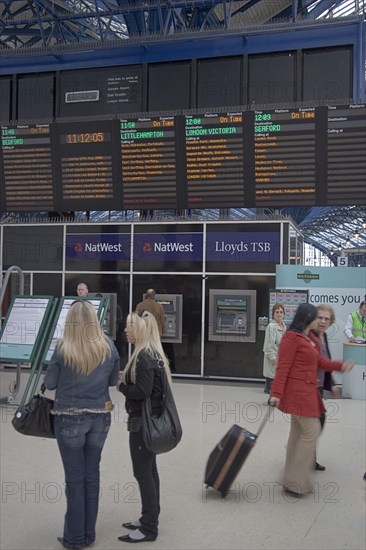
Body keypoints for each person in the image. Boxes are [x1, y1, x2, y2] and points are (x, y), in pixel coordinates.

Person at [43, 300, 120, 549]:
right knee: (92, 475)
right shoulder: (109, 346)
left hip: (69, 417)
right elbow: (111, 381)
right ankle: (89, 534)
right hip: (100, 416)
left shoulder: (63, 348)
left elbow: (51, 383)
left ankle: (74, 538)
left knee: (74, 479)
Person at [269, 303, 354, 496]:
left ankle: (291, 478)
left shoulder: (310, 337)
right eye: (317, 317)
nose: (320, 320)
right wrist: (276, 393)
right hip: (298, 394)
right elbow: (283, 366)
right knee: (311, 433)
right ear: (308, 317)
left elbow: (320, 362)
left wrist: (340, 366)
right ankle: (296, 481)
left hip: (307, 392)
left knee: (297, 434)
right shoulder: (292, 337)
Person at [116, 310, 172, 543]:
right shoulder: (153, 354)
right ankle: (150, 514)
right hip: (151, 422)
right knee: (150, 470)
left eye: (130, 326)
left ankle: (149, 528)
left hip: (142, 423)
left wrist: (122, 387)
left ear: (140, 329)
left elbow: (143, 391)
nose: (126, 330)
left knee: (143, 473)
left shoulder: (144, 357)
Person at [311, 304, 340, 472]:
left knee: (317, 421)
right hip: (308, 387)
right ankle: (304, 455)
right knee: (313, 423)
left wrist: (333, 383)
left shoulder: (324, 336)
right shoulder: (310, 336)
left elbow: (326, 362)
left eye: (326, 319)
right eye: (319, 317)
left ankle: (304, 453)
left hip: (319, 387)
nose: (322, 321)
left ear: (331, 321)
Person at [262, 303, 286, 394]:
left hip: (281, 358)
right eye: (277, 312)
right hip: (274, 358)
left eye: (281, 312)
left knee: (278, 380)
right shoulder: (271, 327)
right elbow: (268, 344)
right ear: (273, 314)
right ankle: (271, 401)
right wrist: (273, 358)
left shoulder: (284, 326)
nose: (279, 314)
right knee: (272, 380)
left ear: (284, 314)